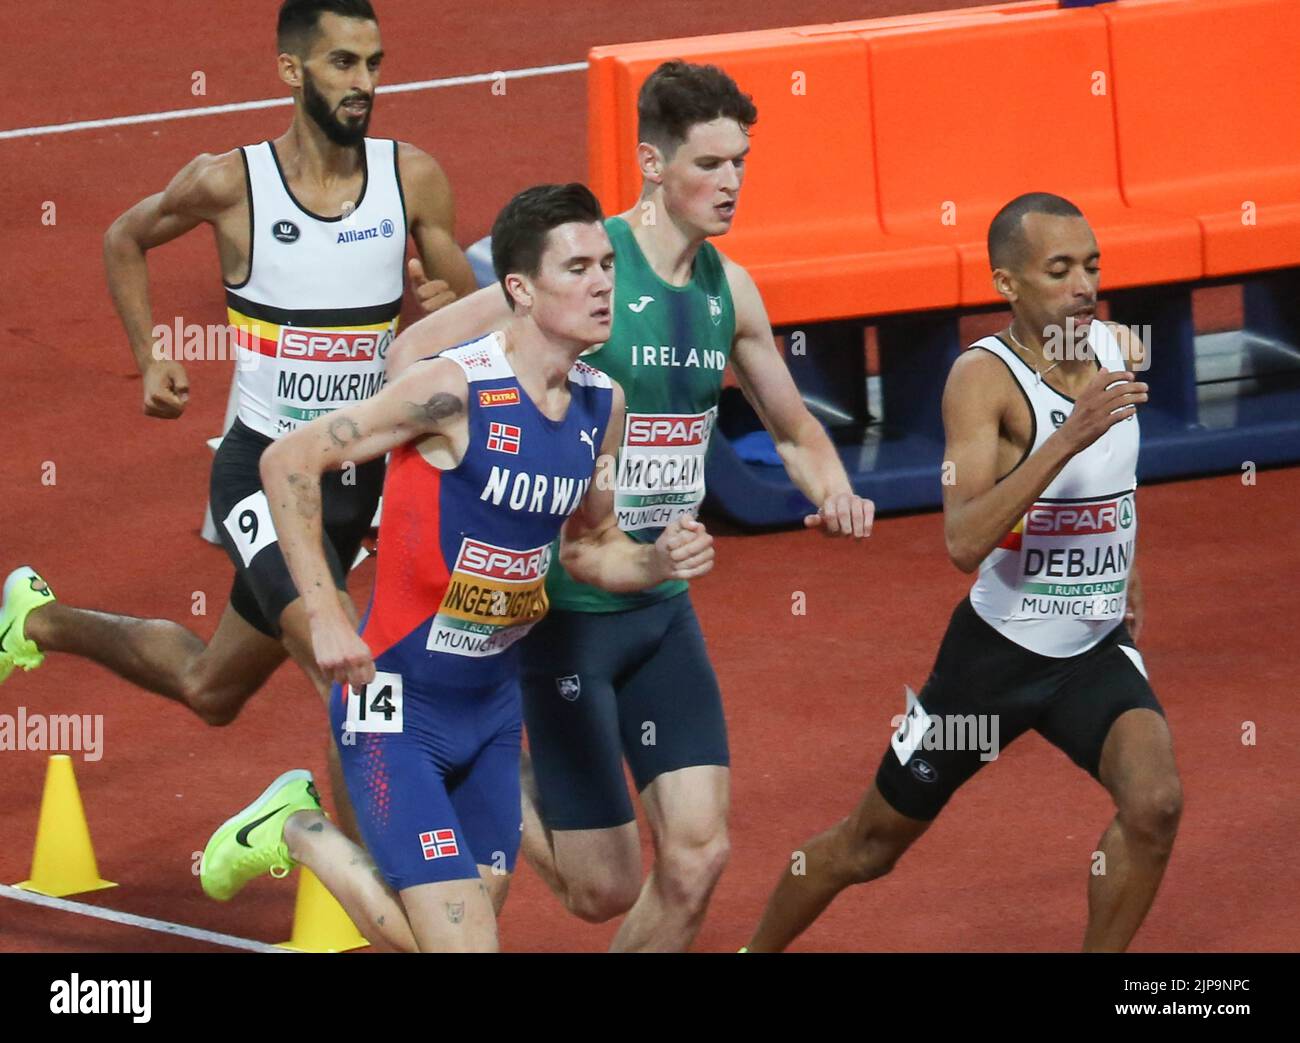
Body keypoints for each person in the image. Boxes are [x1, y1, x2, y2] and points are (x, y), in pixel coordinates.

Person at [385, 60, 875, 951]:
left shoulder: (732, 290)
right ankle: (478, 770)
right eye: (709, 164)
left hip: (659, 607)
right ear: (652, 163)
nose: (731, 184)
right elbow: (415, 352)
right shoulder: (582, 263)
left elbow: (796, 428)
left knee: (697, 861)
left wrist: (836, 491)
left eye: (741, 163)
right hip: (564, 612)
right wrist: (462, 488)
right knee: (599, 890)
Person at [199, 183, 716, 952]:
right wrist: (330, 612)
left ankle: (297, 823)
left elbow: (585, 546)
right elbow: (288, 461)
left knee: (451, 934)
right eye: (577, 268)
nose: (604, 282)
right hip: (394, 704)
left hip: (493, 715)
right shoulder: (454, 391)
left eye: (608, 264)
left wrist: (655, 560)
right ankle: (303, 828)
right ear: (519, 289)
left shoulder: (599, 406)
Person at [0, 0, 476, 829]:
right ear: (292, 71)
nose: (363, 83)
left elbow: (472, 318)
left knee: (210, 687)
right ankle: (389, 888)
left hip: (355, 482)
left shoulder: (414, 178)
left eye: (373, 63)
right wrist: (151, 354)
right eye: (342, 63)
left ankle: (37, 618)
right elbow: (124, 237)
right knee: (347, 671)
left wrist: (447, 301)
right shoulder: (230, 183)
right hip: (259, 471)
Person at [744, 193, 1181, 953]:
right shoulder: (981, 381)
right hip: (993, 663)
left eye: (1092, 264)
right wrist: (1064, 439)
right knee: (868, 846)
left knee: (1155, 803)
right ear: (1007, 283)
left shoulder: (1119, 350)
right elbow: (964, 537)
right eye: (1059, 269)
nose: (1083, 284)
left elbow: (1115, 478)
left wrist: (1126, 561)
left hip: (1092, 652)